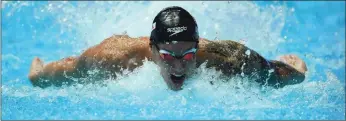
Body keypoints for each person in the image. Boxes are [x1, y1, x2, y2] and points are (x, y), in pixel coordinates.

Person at [28, 6, 307, 91]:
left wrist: (296, 71)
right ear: (151, 49)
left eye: (188, 55)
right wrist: (39, 75)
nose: (178, 66)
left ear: (198, 47)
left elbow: (270, 72)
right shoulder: (113, 57)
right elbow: (68, 69)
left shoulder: (222, 57)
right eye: (168, 56)